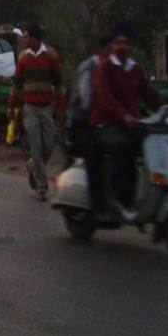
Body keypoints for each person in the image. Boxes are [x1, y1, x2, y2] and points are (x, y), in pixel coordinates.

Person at [90, 23, 162, 213]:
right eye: (118, 42)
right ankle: (122, 199)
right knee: (124, 147)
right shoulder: (104, 68)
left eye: (126, 43)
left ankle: (151, 195)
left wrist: (165, 108)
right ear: (112, 46)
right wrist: (123, 115)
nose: (122, 46)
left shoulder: (134, 69)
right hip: (105, 125)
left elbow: (148, 93)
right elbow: (105, 98)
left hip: (128, 124)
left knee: (154, 143)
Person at [8, 24, 64, 201]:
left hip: (46, 106)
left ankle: (33, 165)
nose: (24, 40)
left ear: (34, 38)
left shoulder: (51, 55)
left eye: (26, 37)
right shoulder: (23, 58)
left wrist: (59, 108)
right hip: (30, 107)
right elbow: (16, 84)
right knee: (36, 146)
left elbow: (59, 83)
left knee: (50, 142)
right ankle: (41, 186)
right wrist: (11, 107)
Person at [65, 35, 110, 217]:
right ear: (102, 50)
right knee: (94, 150)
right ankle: (97, 203)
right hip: (81, 122)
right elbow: (86, 99)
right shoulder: (89, 68)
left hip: (102, 121)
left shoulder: (118, 68)